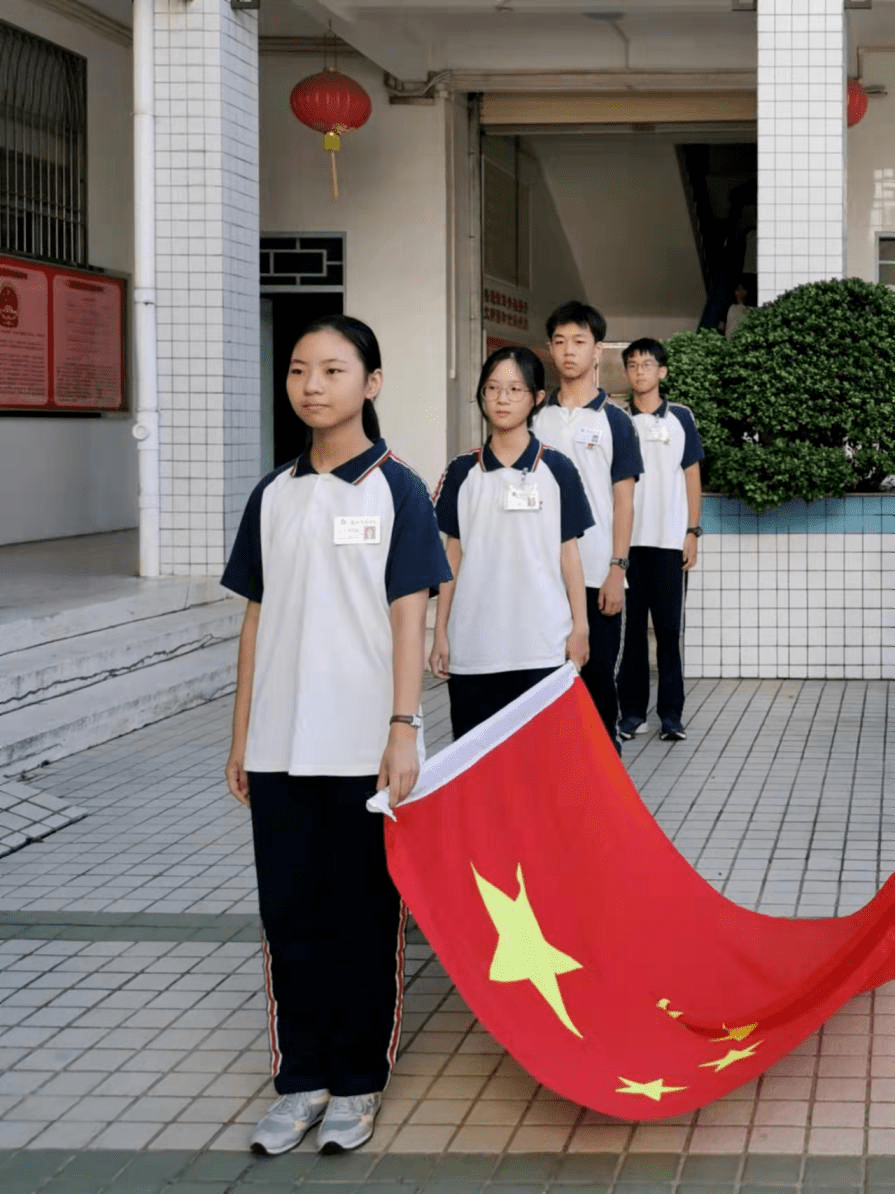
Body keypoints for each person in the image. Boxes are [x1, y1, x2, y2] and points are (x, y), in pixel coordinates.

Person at [221, 314, 451, 1156]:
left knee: (361, 917)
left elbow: (407, 616)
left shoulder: (398, 489)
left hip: (363, 745)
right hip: (280, 746)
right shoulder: (272, 494)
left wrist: (402, 728)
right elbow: (255, 621)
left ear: (372, 383)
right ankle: (301, 1077)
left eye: (332, 369)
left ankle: (357, 1080)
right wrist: (242, 734)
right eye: (297, 370)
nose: (311, 385)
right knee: (289, 916)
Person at [429, 345, 593, 738]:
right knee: (477, 772)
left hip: (541, 646)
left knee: (540, 771)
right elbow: (452, 556)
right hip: (474, 649)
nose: (502, 398)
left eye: (515, 389)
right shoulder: (461, 471)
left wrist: (580, 627)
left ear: (536, 398)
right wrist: (439, 633)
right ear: (482, 395)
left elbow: (568, 553)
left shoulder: (557, 469)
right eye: (492, 388)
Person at [532, 301, 643, 752]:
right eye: (560, 342)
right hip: (541, 576)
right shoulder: (534, 417)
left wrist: (618, 567)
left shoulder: (616, 420)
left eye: (579, 342)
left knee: (597, 680)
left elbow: (624, 500)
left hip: (598, 573)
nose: (568, 351)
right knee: (544, 682)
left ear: (598, 351)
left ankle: (605, 776)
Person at [616, 337, 704, 742]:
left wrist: (692, 531)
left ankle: (672, 716)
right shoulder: (617, 420)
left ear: (662, 372)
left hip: (670, 543)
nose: (639, 371)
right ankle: (632, 715)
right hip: (628, 545)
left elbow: (691, 476)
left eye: (647, 364)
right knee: (632, 633)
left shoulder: (681, 418)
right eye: (632, 365)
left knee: (669, 632)